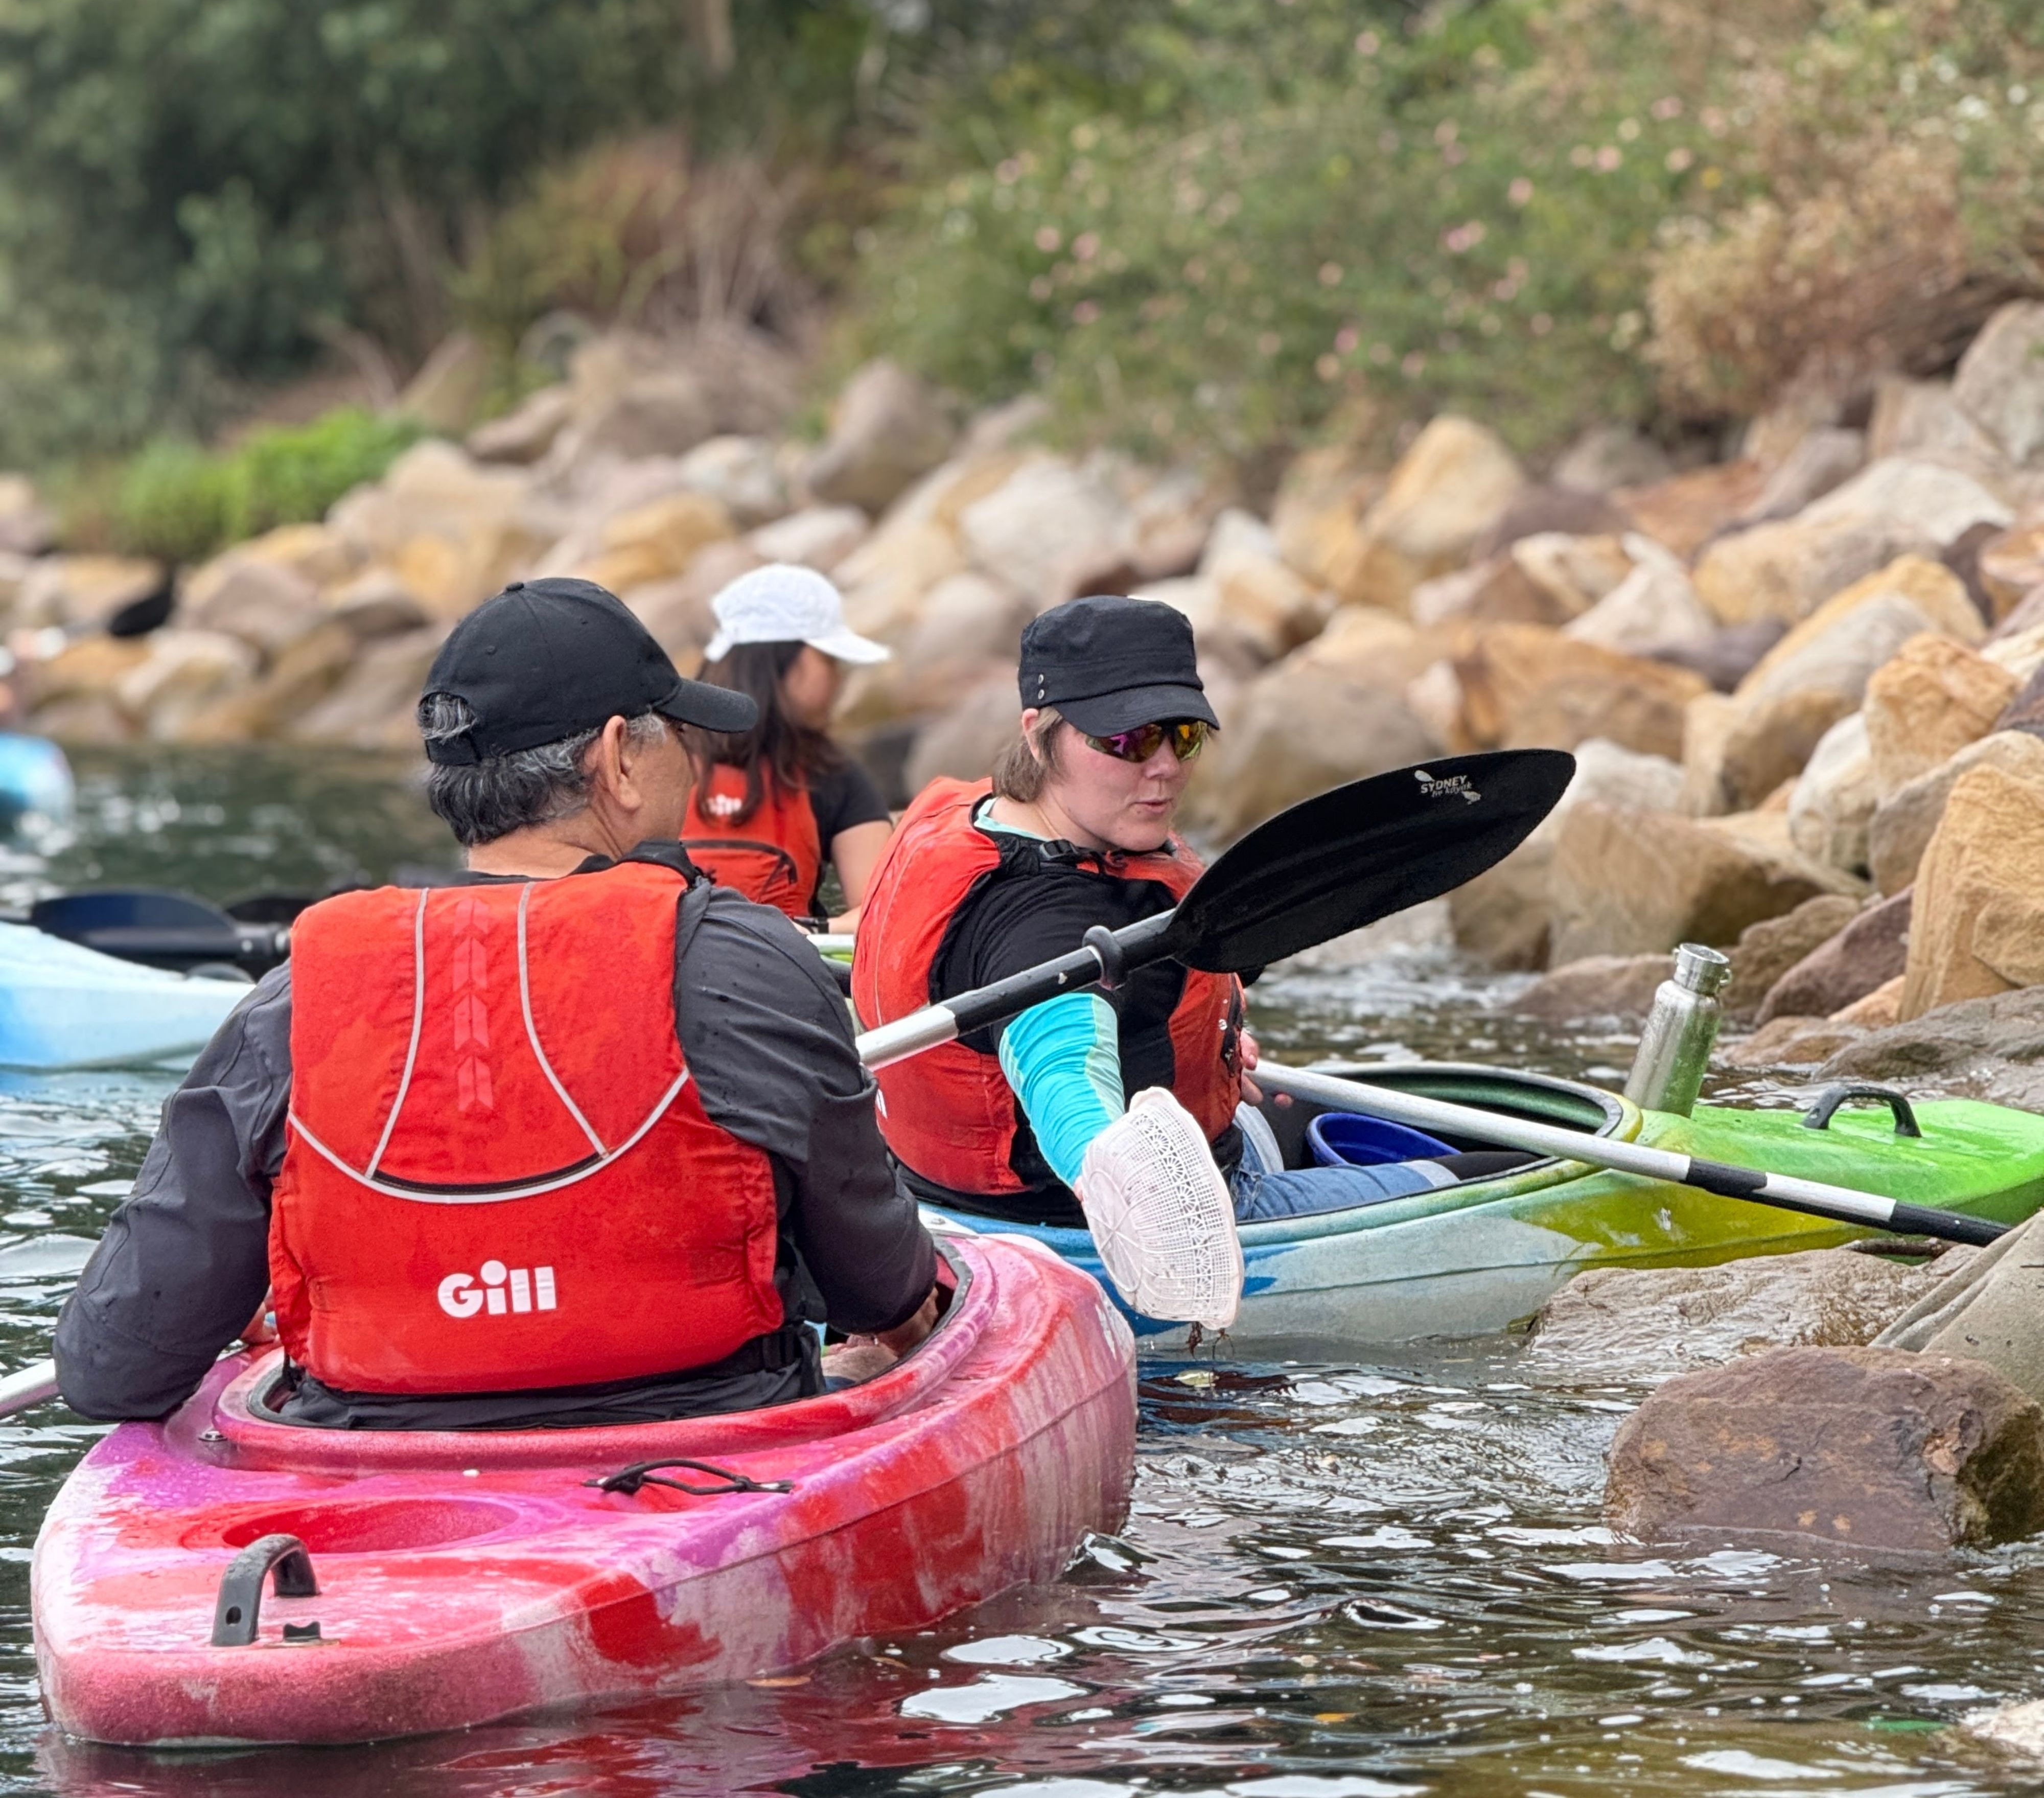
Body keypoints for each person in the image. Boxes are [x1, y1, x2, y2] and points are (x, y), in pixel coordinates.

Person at [55, 578, 938, 1430]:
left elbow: (112, 1367)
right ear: (619, 756)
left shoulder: (293, 1000)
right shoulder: (748, 957)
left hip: (372, 1480)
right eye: (678, 734)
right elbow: (880, 1286)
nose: (693, 758)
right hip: (705, 1451)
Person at [852, 596, 1524, 1319]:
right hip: (1085, 1230)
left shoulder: (969, 814)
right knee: (1515, 1171)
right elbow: (1067, 1091)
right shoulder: (1053, 934)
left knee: (1385, 1115)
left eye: (1182, 735)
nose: (1165, 767)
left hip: (939, 1199)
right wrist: (1135, 1188)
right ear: (1038, 735)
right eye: (1128, 741)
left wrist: (1210, 1047)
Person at [681, 564, 892, 931]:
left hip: (778, 967)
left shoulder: (833, 774)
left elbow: (883, 913)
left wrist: (811, 931)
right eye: (828, 659)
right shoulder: (657, 761)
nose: (839, 677)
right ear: (779, 661)